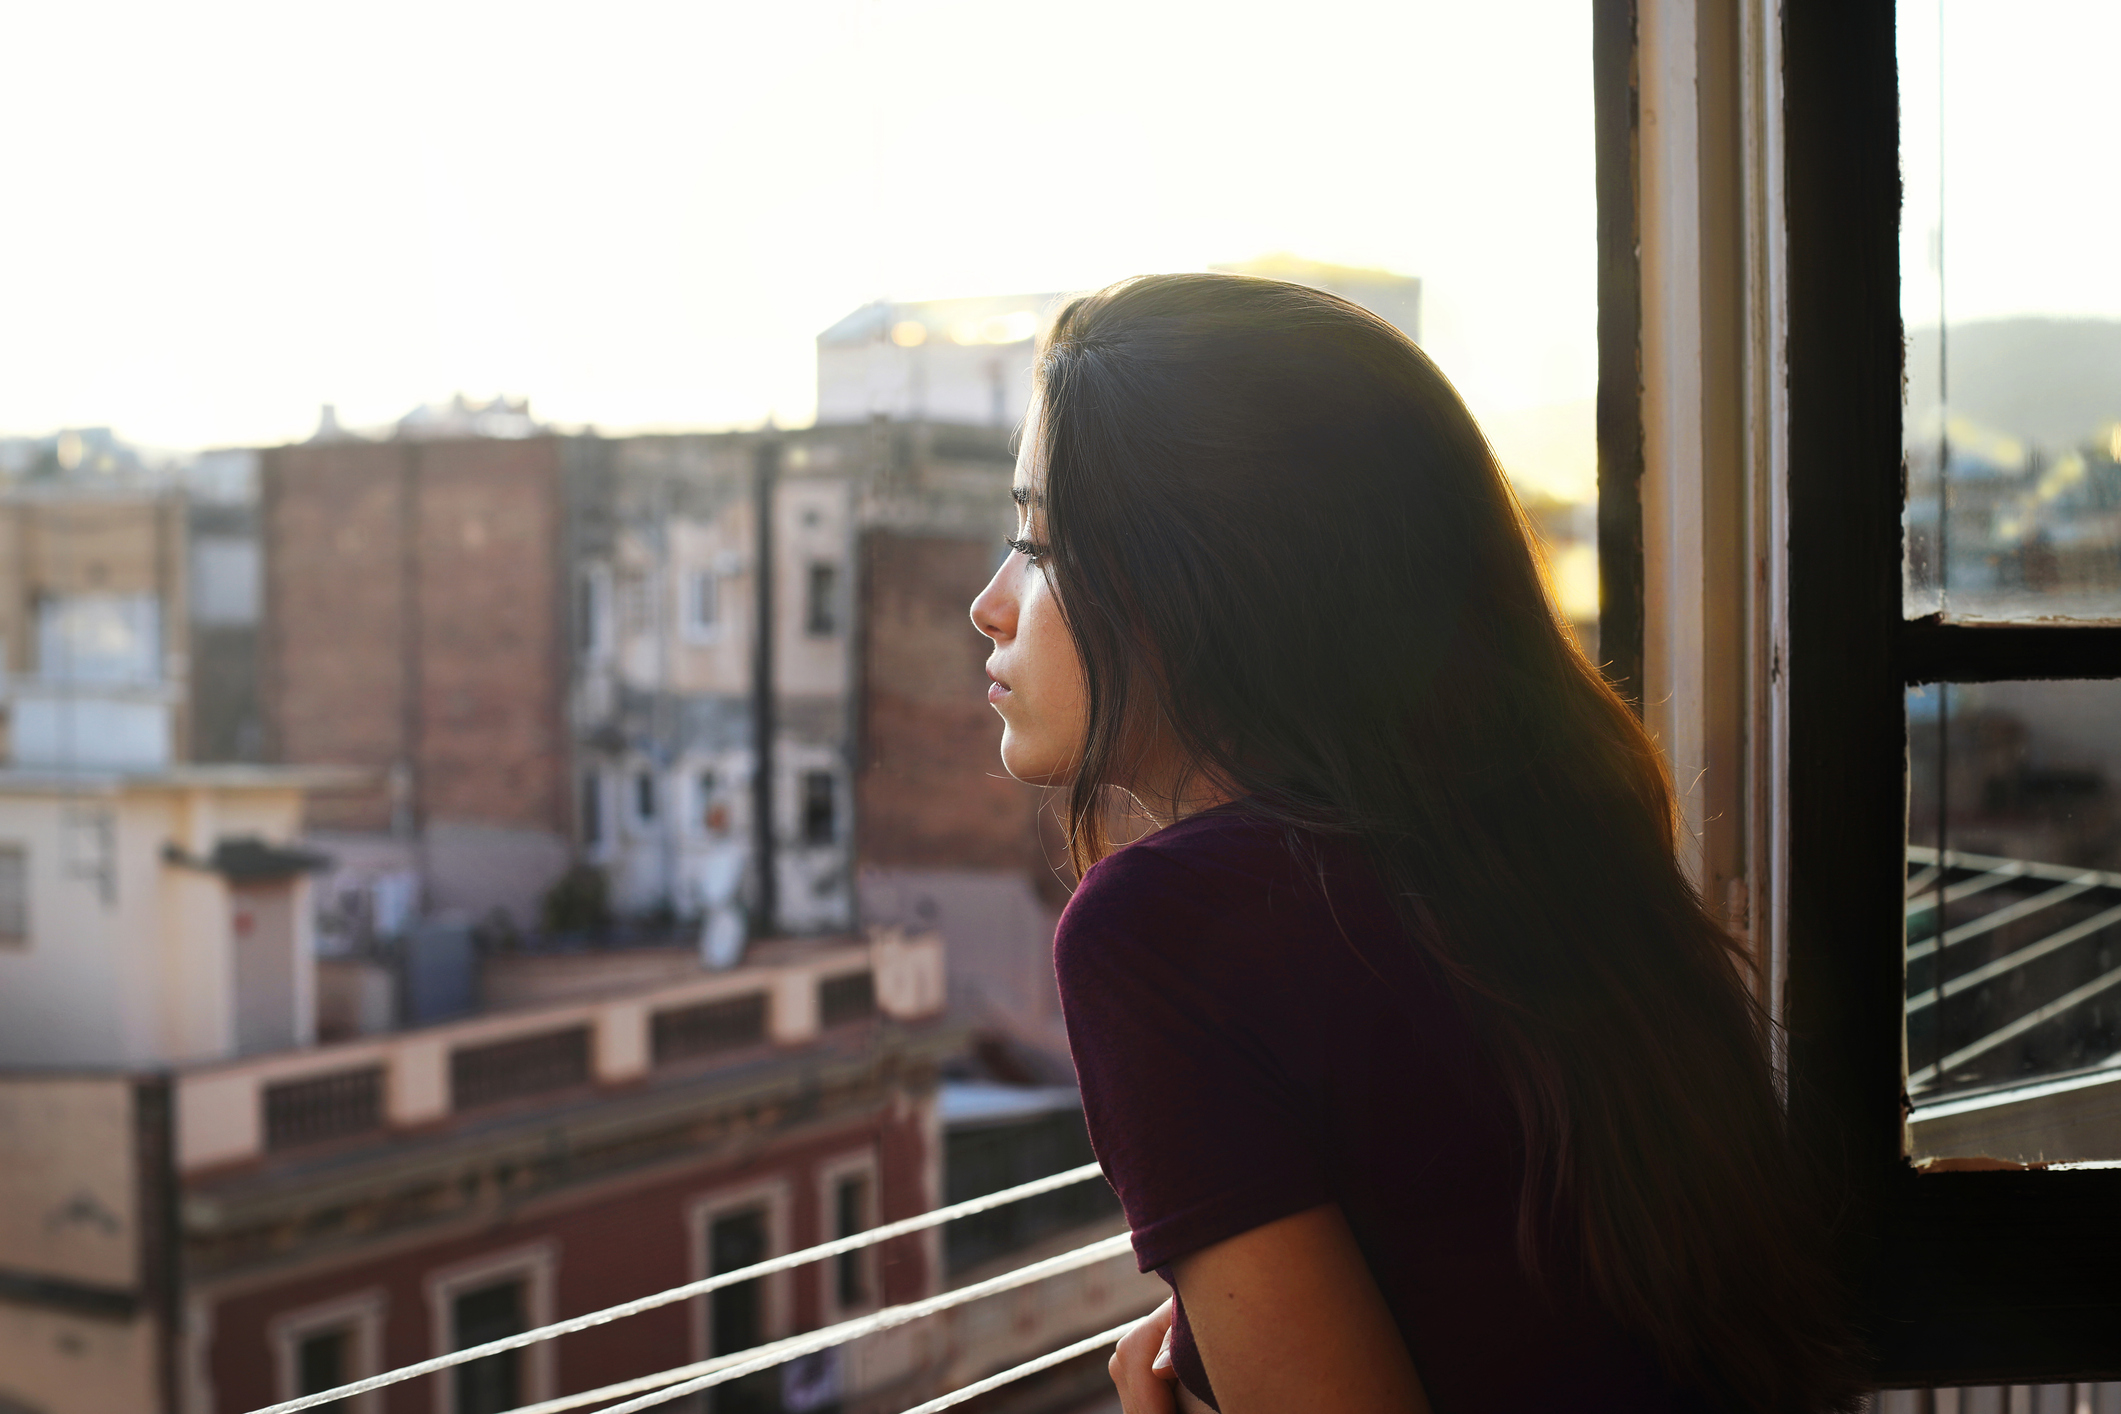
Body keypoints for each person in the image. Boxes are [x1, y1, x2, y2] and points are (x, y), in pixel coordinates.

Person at [969, 274, 1864, 1413]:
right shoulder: (1527, 843)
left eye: (1039, 544)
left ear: (1200, 584)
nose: (991, 603)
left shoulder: (1161, 930)